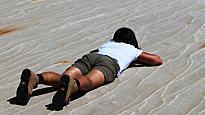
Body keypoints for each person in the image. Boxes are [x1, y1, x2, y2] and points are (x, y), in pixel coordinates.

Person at [16, 27, 163, 108]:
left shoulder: (108, 43)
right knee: (89, 81)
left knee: (64, 77)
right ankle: (74, 86)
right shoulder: (132, 49)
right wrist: (135, 59)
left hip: (91, 57)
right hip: (109, 63)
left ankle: (36, 78)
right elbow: (156, 60)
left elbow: (95, 52)